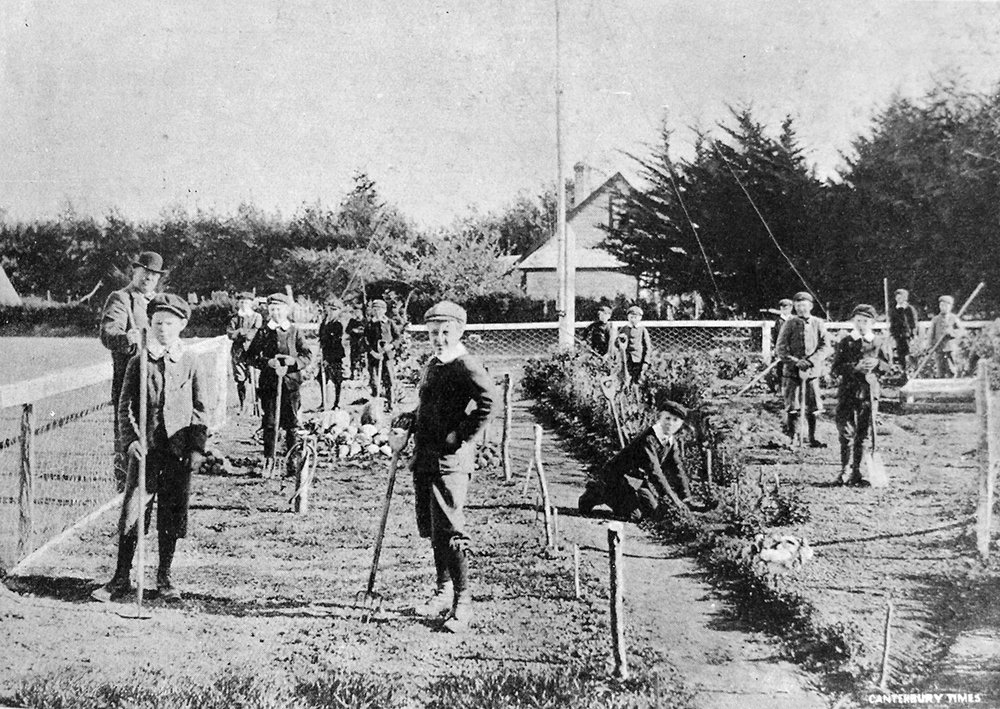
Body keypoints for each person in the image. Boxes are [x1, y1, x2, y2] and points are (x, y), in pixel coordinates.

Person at [92, 294, 208, 603]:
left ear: (182, 325)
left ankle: (164, 578)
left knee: (171, 515)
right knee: (133, 512)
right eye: (157, 323)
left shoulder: (191, 360)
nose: (163, 330)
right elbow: (123, 407)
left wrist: (197, 448)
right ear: (150, 324)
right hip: (146, 451)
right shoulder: (139, 361)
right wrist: (130, 441)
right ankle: (120, 578)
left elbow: (200, 409)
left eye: (170, 324)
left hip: (178, 452)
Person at [392, 301, 494, 633]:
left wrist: (459, 435)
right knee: (433, 530)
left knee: (450, 530)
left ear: (459, 331)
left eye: (445, 331)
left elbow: (488, 402)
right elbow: (428, 405)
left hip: (449, 461)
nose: (438, 338)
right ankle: (443, 590)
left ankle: (462, 602)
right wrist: (410, 418)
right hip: (425, 457)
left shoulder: (465, 364)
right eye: (433, 332)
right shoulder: (434, 365)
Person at [577, 395, 705, 522]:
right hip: (616, 477)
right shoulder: (648, 439)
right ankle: (596, 492)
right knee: (634, 515)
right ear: (659, 418)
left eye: (675, 420)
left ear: (680, 424)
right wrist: (675, 500)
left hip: (636, 480)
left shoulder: (671, 442)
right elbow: (655, 472)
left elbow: (677, 469)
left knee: (652, 512)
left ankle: (624, 497)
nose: (670, 423)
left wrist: (686, 498)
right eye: (667, 418)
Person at [100, 251, 165, 490]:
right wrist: (127, 338)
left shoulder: (162, 302)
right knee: (129, 440)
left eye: (154, 274)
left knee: (158, 440)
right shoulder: (121, 299)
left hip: (158, 385)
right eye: (144, 272)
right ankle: (125, 496)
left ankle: (152, 490)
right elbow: (108, 333)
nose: (148, 277)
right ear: (134, 271)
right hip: (130, 383)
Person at [246, 293, 312, 477]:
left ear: (286, 310)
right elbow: (250, 356)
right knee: (270, 423)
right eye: (272, 309)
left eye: (279, 309)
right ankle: (270, 460)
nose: (275, 313)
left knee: (291, 423)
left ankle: (292, 461)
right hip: (269, 384)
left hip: (291, 384)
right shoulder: (264, 332)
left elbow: (307, 355)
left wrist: (294, 361)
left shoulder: (294, 331)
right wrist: (267, 363)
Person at [831, 304, 892, 486]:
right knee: (846, 431)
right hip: (848, 391)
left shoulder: (879, 342)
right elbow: (836, 368)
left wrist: (877, 365)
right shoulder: (846, 342)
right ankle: (845, 469)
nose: (861, 324)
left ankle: (857, 471)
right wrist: (854, 367)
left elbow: (888, 366)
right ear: (853, 322)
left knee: (863, 432)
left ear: (872, 322)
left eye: (865, 321)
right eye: (858, 321)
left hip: (868, 392)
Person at [775, 291, 828, 448]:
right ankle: (793, 439)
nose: (800, 309)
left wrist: (811, 361)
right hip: (792, 372)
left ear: (810, 306)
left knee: (813, 407)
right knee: (793, 407)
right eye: (798, 306)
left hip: (812, 372)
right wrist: (796, 362)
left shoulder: (818, 323)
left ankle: (812, 438)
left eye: (803, 306)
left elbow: (825, 346)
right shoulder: (789, 324)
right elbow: (781, 348)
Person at [226, 292, 263, 412]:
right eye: (241, 302)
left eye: (246, 302)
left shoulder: (257, 316)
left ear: (251, 303)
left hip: (254, 351)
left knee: (256, 379)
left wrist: (242, 332)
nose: (244, 305)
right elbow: (230, 334)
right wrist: (240, 331)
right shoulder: (235, 318)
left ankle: (258, 405)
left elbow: (255, 332)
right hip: (238, 353)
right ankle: (243, 404)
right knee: (240, 379)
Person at [364, 299, 403, 408]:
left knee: (388, 380)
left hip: (387, 356)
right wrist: (372, 352)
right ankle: (375, 403)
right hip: (373, 356)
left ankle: (390, 404)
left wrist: (391, 346)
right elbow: (364, 340)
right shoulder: (370, 324)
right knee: (374, 380)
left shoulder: (389, 323)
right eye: (375, 309)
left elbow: (398, 337)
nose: (377, 311)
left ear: (385, 310)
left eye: (380, 309)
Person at [317, 300, 347, 409]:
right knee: (321, 378)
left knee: (337, 380)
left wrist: (328, 359)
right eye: (330, 309)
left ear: (339, 311)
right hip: (325, 354)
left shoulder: (338, 324)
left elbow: (334, 343)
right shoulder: (325, 323)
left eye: (335, 310)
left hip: (335, 356)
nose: (332, 312)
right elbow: (321, 340)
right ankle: (323, 402)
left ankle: (337, 403)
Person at [928, 294, 963, 378]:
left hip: (950, 348)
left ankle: (952, 386)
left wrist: (951, 333)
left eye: (946, 305)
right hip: (938, 348)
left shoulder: (954, 318)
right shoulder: (936, 319)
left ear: (950, 307)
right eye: (942, 305)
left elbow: (961, 331)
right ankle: (941, 387)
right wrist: (930, 346)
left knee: (952, 369)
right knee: (940, 370)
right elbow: (931, 334)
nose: (944, 307)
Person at [888, 288, 919, 381]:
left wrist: (913, 335)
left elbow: (913, 323)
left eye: (900, 296)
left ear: (905, 298)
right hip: (898, 336)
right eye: (897, 296)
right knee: (900, 355)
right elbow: (892, 323)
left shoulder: (909, 309)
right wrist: (892, 333)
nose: (898, 298)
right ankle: (903, 374)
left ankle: (912, 373)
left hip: (907, 336)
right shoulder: (894, 309)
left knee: (909, 355)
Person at [618, 305, 652, 386]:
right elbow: (617, 344)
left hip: (638, 359)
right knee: (626, 379)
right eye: (631, 317)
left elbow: (648, 347)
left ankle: (637, 396)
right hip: (626, 359)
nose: (633, 319)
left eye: (635, 317)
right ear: (628, 317)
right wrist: (620, 339)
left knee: (637, 381)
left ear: (640, 318)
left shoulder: (642, 330)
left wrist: (646, 361)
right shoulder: (624, 329)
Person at [766, 298, 794, 393]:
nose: (786, 310)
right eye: (783, 307)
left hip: (792, 349)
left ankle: (791, 389)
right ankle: (781, 389)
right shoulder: (779, 321)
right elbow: (776, 336)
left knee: (792, 368)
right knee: (781, 368)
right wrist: (777, 348)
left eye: (788, 307)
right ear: (781, 308)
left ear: (791, 308)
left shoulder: (794, 320)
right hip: (782, 349)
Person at [346, 305, 366, 380]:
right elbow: (347, 330)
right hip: (354, 342)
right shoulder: (352, 321)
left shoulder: (365, 321)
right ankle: (352, 374)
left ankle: (361, 373)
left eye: (358, 311)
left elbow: (368, 331)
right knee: (353, 357)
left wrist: (361, 331)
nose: (356, 313)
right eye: (355, 311)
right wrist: (353, 330)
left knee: (362, 358)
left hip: (362, 343)